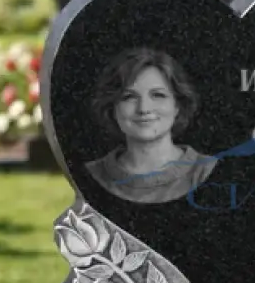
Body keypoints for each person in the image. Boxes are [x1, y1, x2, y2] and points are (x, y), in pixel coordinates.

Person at [85, 47, 216, 204]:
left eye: (158, 95)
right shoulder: (88, 176)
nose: (144, 109)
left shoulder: (208, 171)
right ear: (112, 108)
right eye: (129, 97)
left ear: (177, 105)